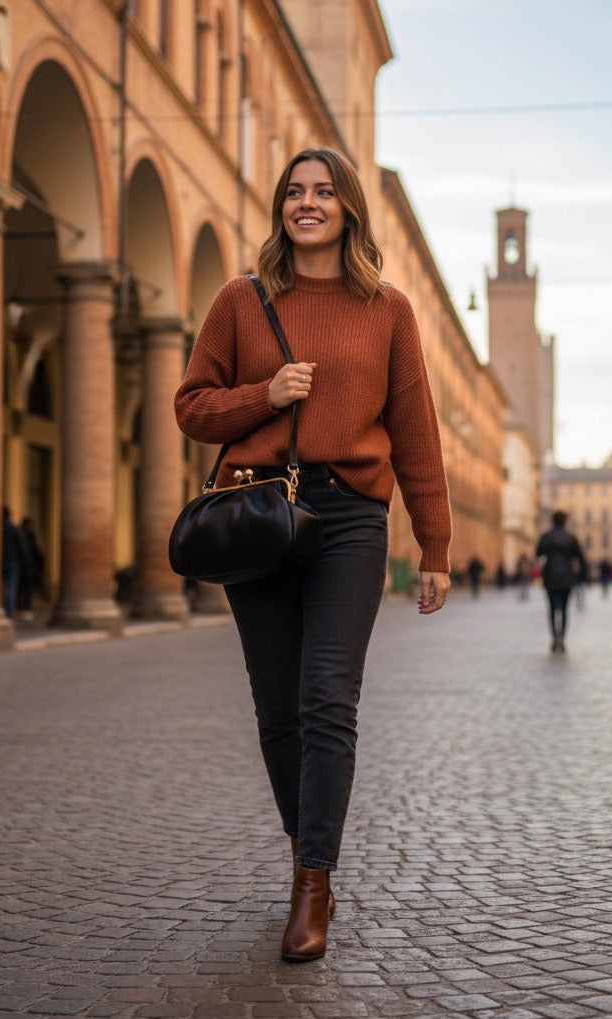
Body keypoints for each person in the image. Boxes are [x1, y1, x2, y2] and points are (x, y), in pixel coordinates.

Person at [174, 146, 451, 963]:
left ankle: (312, 880)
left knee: (328, 697)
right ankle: (311, 842)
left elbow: (416, 434)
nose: (308, 203)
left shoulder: (389, 309)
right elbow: (191, 407)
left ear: (349, 209)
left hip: (349, 520)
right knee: (277, 707)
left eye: (324, 192)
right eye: (295, 192)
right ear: (280, 210)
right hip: (257, 512)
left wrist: (434, 544)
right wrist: (267, 395)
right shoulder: (239, 300)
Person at [535, 510, 588, 652]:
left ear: (552, 521)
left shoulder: (546, 537)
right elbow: (580, 558)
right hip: (567, 576)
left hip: (550, 575)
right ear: (565, 521)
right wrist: (584, 577)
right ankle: (562, 639)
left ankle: (554, 639)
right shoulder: (571, 537)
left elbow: (538, 553)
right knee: (564, 610)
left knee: (552, 609)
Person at [17, 517, 45, 618]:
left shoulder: (27, 535)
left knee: (25, 588)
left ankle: (24, 608)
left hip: (28, 566)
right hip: (26, 566)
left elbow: (36, 551)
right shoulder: (25, 535)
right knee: (24, 588)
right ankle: (24, 608)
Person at [0, 507, 26, 620]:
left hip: (0, 562)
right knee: (11, 589)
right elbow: (21, 547)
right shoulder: (14, 529)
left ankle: (0, 610)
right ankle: (8, 614)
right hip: (12, 562)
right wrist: (25, 562)